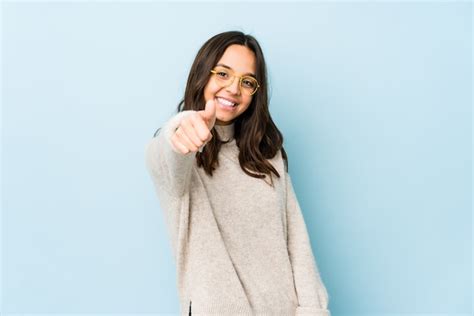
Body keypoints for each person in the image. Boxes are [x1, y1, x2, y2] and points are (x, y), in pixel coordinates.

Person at [145, 30, 331, 316]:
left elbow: (296, 241)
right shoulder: (173, 150)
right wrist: (184, 128)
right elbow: (171, 148)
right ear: (202, 74)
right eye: (223, 74)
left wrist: (313, 309)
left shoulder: (267, 155)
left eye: (247, 81)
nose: (233, 89)